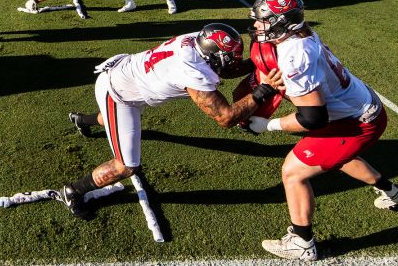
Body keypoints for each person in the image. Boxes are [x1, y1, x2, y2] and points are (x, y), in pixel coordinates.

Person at [241, 0, 398, 260]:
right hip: (361, 105)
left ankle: (302, 242)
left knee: (293, 172)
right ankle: (393, 192)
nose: (256, 26)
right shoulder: (301, 35)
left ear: (282, 23)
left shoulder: (294, 56)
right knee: (338, 157)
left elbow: (313, 119)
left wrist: (267, 125)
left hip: (354, 122)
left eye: (263, 21)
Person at [60, 24, 276, 219]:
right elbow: (225, 117)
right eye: (230, 57)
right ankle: (73, 191)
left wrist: (259, 64)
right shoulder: (192, 70)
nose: (234, 61)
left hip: (131, 78)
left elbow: (223, 66)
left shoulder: (198, 39)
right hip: (118, 94)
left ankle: (82, 120)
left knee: (114, 120)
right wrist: (264, 90)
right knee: (126, 166)